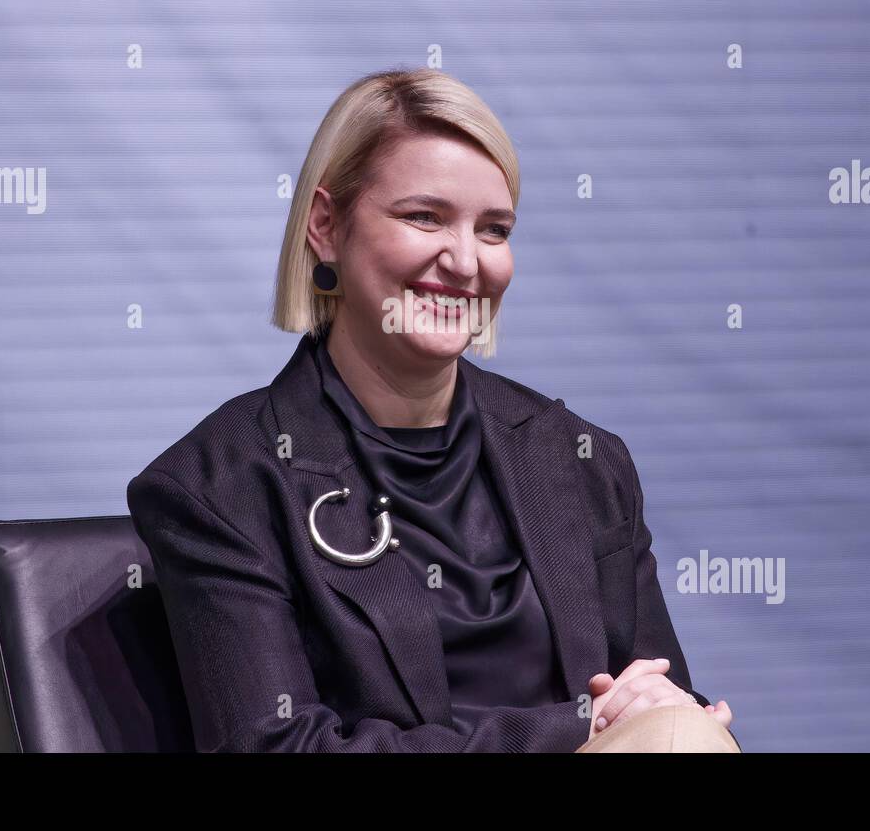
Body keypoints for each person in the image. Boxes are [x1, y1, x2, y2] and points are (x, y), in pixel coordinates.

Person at [126, 67, 738, 752]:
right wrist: (573, 730)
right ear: (326, 227)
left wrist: (671, 717)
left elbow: (659, 698)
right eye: (424, 217)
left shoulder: (581, 458)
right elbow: (280, 748)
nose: (465, 261)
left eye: (494, 229)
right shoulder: (219, 487)